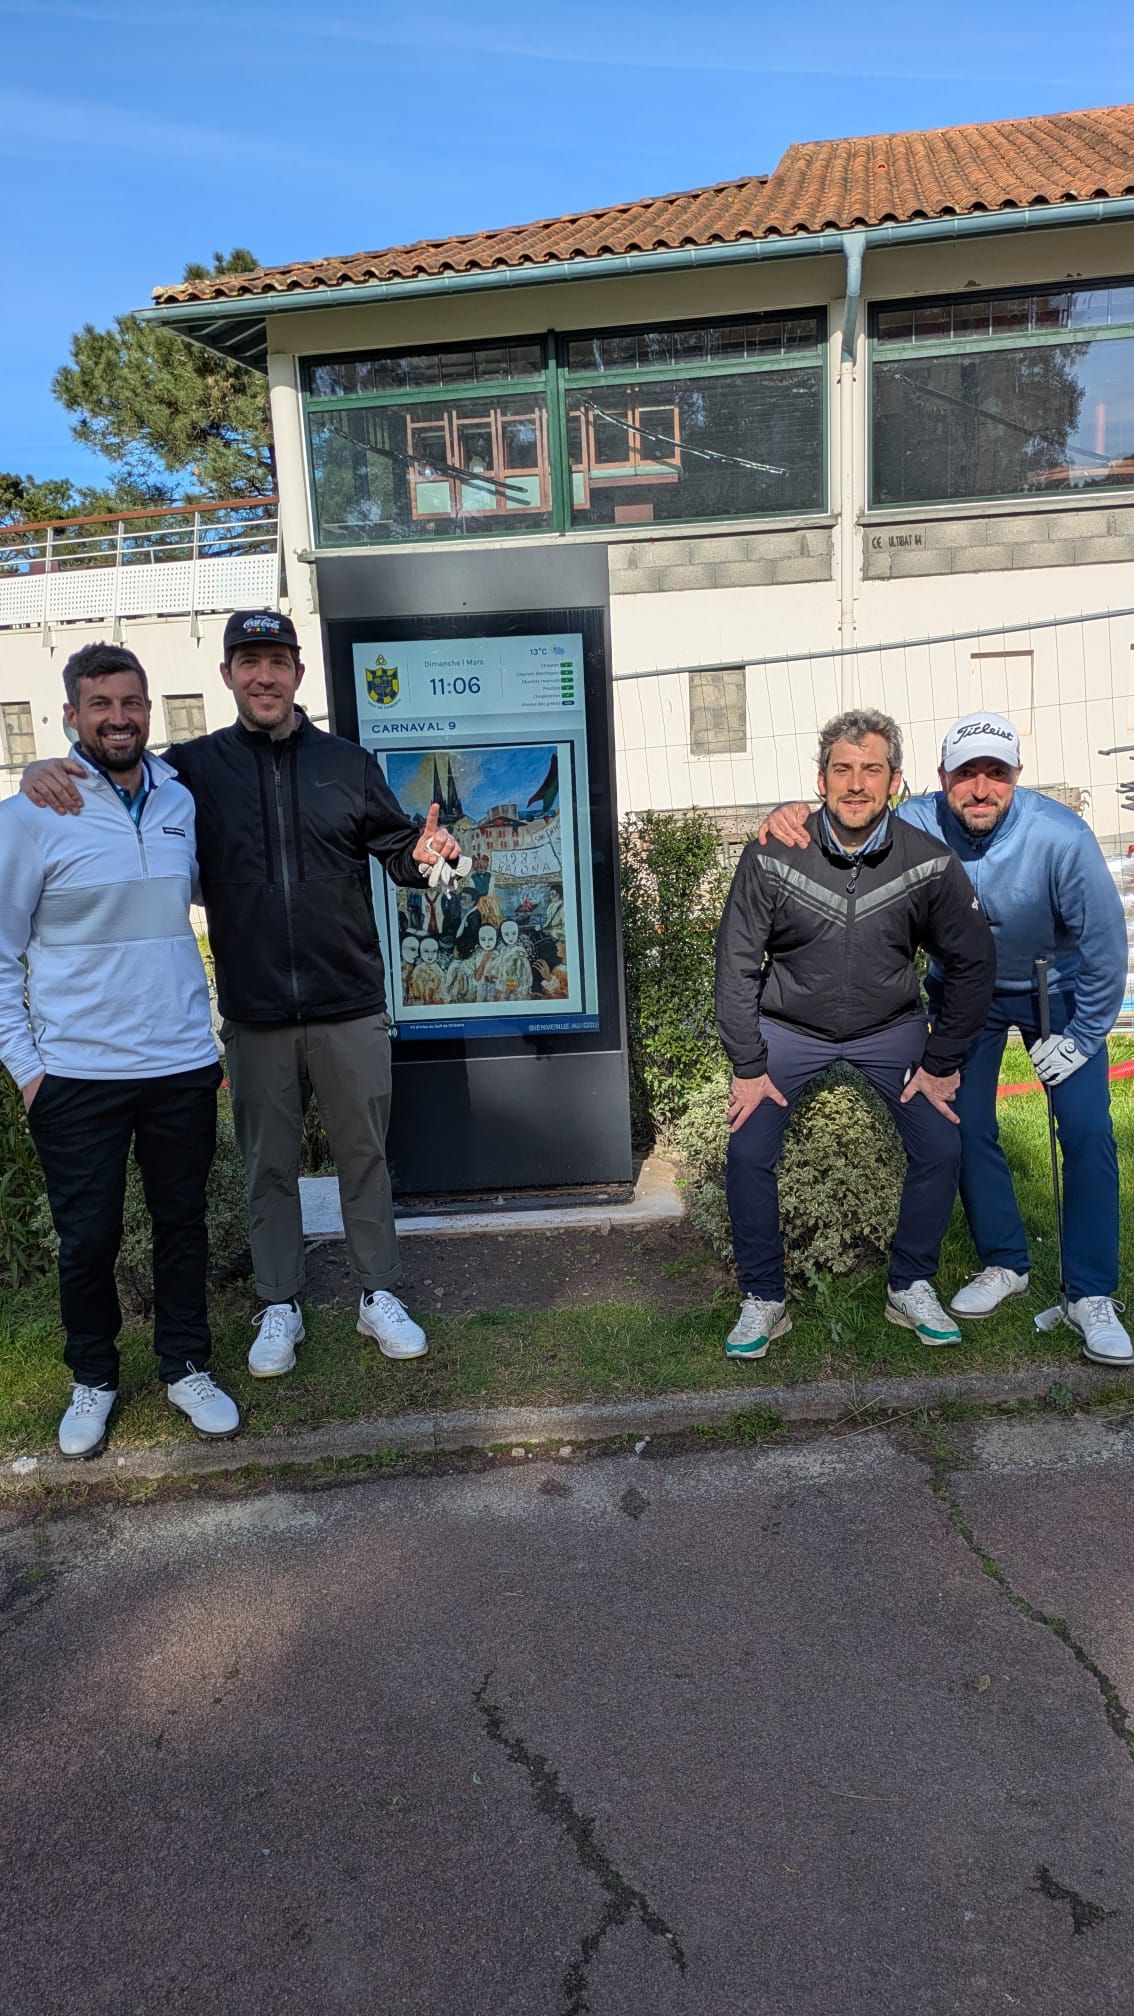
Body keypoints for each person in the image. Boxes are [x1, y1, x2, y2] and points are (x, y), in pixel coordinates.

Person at [21, 610, 463, 1382]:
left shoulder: (347, 764)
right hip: (255, 1014)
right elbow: (109, 766)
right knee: (268, 1167)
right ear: (227, 674)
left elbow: (400, 850)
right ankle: (280, 1302)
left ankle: (378, 1293)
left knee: (364, 1157)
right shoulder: (188, 770)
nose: (264, 675)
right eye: (249, 662)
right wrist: (38, 770)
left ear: (297, 673)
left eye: (277, 661)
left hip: (350, 1004)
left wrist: (431, 856)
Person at [761, 710, 1130, 1363]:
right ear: (940, 778)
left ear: (1017, 776)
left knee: (1086, 1129)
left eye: (997, 773)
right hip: (965, 994)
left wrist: (1082, 1034)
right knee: (963, 1122)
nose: (980, 788)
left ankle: (1090, 1293)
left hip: (1058, 990)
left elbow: (1105, 948)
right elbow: (848, 813)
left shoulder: (1062, 837)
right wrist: (789, 814)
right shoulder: (916, 821)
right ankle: (1006, 1261)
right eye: (966, 774)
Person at [0, 644, 240, 1455]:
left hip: (178, 1065)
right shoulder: (30, 815)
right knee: (88, 1241)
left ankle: (186, 1367)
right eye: (99, 704)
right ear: (70, 715)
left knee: (182, 1226)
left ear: (148, 708)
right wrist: (28, 1071)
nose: (118, 718)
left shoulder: (180, 799)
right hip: (75, 1074)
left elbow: (207, 889)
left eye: (130, 702)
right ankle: (93, 1379)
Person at [717, 708, 996, 1360]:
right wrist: (748, 1065)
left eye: (872, 769)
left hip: (889, 1027)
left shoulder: (928, 862)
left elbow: (974, 963)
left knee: (941, 1144)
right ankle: (763, 1298)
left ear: (895, 781)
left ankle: (910, 1284)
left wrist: (941, 1060)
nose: (856, 783)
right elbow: (735, 962)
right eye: (842, 769)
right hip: (789, 1029)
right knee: (748, 1149)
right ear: (821, 780)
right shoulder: (772, 854)